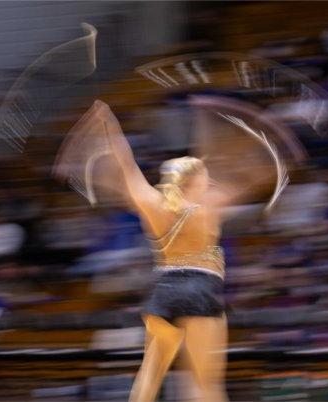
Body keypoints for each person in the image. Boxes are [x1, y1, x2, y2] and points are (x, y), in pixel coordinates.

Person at [53, 99, 281, 402]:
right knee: (206, 382)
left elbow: (126, 163)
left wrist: (108, 123)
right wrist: (266, 138)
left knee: (150, 374)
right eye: (203, 177)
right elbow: (250, 175)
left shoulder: (151, 203)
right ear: (197, 182)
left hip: (165, 291)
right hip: (200, 289)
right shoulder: (208, 206)